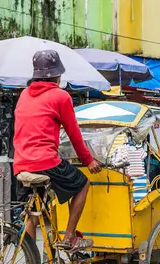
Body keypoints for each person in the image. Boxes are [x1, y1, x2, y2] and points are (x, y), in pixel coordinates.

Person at [14, 50, 101, 252]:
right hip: (45, 162)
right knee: (82, 183)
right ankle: (70, 237)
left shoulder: (24, 95)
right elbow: (74, 134)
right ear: (58, 75)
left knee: (33, 213)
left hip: (21, 162)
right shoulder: (60, 96)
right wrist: (88, 161)